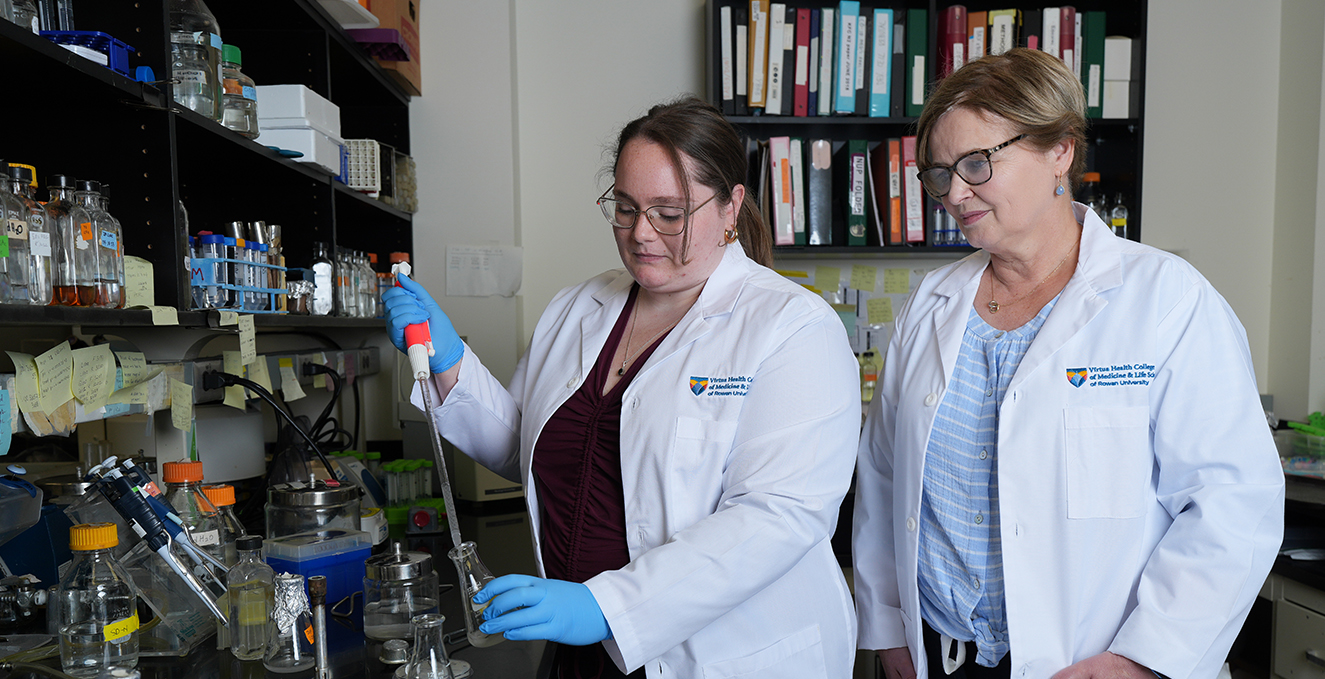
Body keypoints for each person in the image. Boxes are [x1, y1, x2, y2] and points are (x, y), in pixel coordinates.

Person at [384, 97, 861, 678]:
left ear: (732, 205)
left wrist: (606, 606)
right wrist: (448, 362)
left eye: (669, 212)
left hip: (720, 656)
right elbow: (527, 448)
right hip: (578, 652)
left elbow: (775, 518)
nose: (641, 233)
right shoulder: (578, 307)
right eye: (626, 207)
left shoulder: (792, 327)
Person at [852, 48, 1284, 679]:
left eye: (977, 163)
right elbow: (886, 480)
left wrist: (1143, 661)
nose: (955, 192)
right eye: (939, 174)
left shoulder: (1165, 298)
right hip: (940, 658)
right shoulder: (930, 303)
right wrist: (889, 627)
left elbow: (1232, 502)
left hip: (1097, 665)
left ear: (1060, 150)